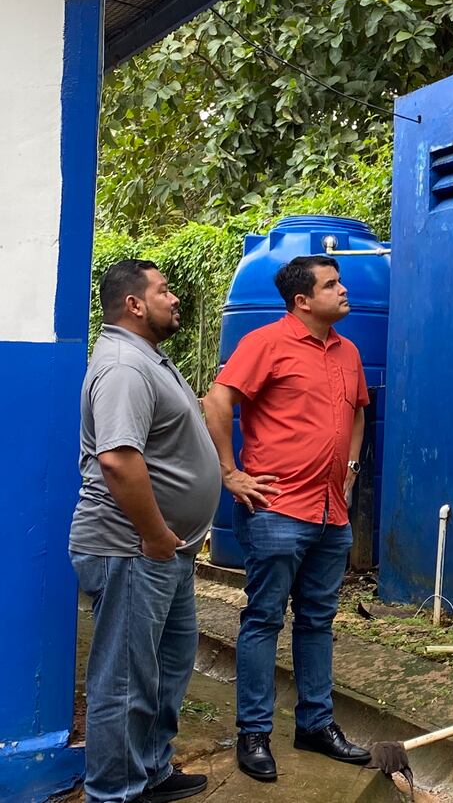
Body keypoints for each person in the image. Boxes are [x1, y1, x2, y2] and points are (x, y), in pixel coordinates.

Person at [203, 255, 372, 783]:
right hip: (277, 510)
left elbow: (359, 410)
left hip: (330, 513)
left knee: (318, 621)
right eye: (332, 284)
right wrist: (230, 473)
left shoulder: (349, 352)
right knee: (263, 619)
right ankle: (253, 733)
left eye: (340, 281)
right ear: (302, 300)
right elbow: (217, 399)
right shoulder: (265, 344)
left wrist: (350, 466)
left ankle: (315, 725)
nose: (343, 291)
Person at [69, 260, 221, 803]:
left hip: (161, 551)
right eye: (164, 290)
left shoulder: (146, 359)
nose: (175, 297)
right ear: (134, 304)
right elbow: (116, 460)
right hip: (132, 548)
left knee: (168, 667)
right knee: (125, 681)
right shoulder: (123, 366)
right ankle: (114, 791)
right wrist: (156, 534)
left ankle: (150, 771)